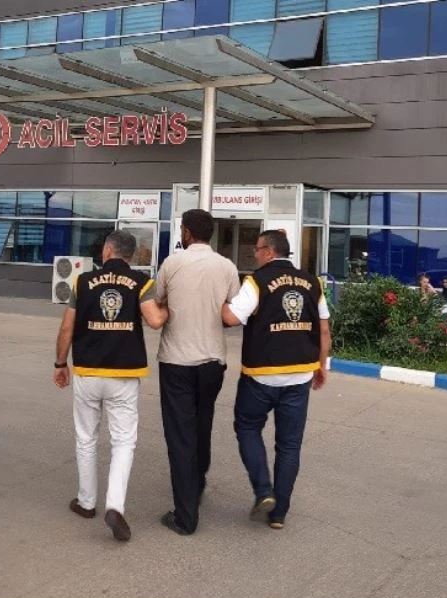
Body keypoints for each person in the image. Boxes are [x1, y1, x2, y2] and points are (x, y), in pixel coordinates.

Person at [53, 230, 168, 542]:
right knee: (123, 442)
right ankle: (115, 507)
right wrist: (168, 305)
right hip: (124, 374)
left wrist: (60, 363)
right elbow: (155, 321)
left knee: (86, 438)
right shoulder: (140, 282)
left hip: (88, 372)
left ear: (107, 251)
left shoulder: (83, 282)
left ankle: (86, 502)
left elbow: (67, 327)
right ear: (131, 255)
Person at [221, 230, 332, 530]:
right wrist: (321, 366)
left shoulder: (257, 281)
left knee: (247, 428)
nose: (255, 254)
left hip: (261, 376)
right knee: (289, 445)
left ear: (269, 251)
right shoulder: (313, 283)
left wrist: (218, 302)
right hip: (300, 376)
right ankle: (279, 514)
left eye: (257, 249)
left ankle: (263, 491)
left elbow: (231, 318)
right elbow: (324, 330)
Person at [155, 209, 240, 535]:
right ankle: (198, 481)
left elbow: (158, 301)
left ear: (187, 232)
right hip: (213, 362)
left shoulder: (172, 263)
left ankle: (185, 516)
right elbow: (232, 311)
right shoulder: (227, 266)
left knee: (180, 435)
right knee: (202, 424)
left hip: (176, 361)